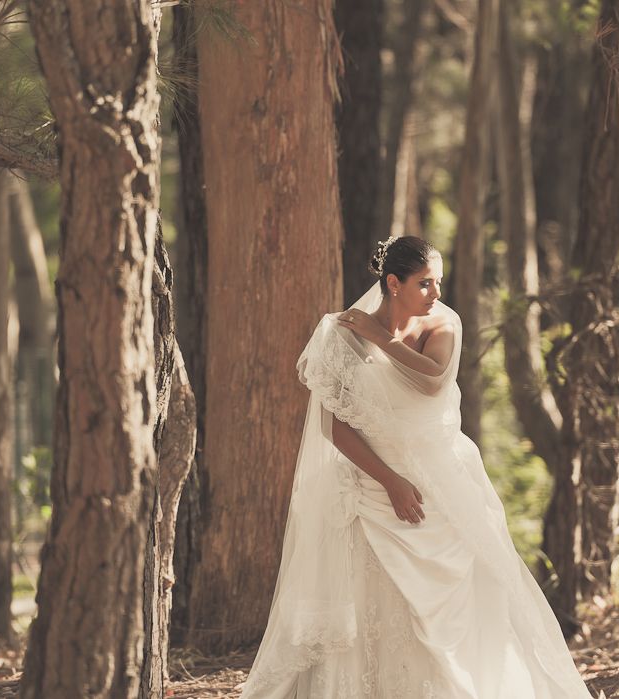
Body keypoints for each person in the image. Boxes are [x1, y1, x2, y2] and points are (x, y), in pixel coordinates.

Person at [242, 236, 591, 698]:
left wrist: (377, 336)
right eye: (425, 284)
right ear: (393, 283)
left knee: (461, 596)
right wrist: (390, 482)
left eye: (438, 282)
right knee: (373, 600)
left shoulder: (444, 323)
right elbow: (336, 430)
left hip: (440, 477)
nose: (436, 293)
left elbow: (433, 380)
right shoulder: (343, 335)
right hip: (372, 483)